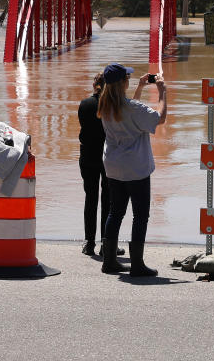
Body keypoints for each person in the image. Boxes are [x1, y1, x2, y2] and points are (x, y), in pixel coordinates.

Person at [97, 63, 168, 276]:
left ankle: (109, 261)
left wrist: (140, 88)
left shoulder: (104, 105)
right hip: (135, 168)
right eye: (127, 78)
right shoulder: (132, 109)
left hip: (114, 166)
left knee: (115, 211)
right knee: (140, 216)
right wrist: (163, 92)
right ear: (122, 83)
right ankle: (137, 264)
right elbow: (159, 118)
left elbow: (128, 109)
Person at [76, 74, 124, 258]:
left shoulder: (84, 104)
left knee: (91, 198)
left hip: (87, 155)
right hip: (107, 156)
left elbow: (83, 127)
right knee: (108, 200)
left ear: (94, 85)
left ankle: (89, 243)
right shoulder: (113, 106)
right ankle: (107, 244)